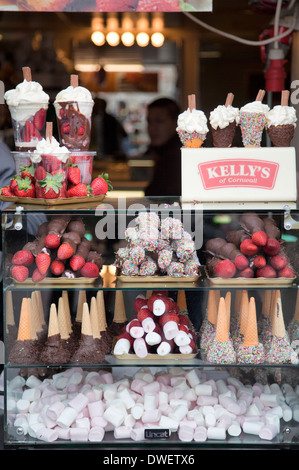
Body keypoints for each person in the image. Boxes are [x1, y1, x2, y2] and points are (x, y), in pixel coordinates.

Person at [144, 97, 182, 197]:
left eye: (159, 121)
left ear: (176, 123)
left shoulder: (177, 156)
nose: (152, 127)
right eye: (149, 121)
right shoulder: (158, 152)